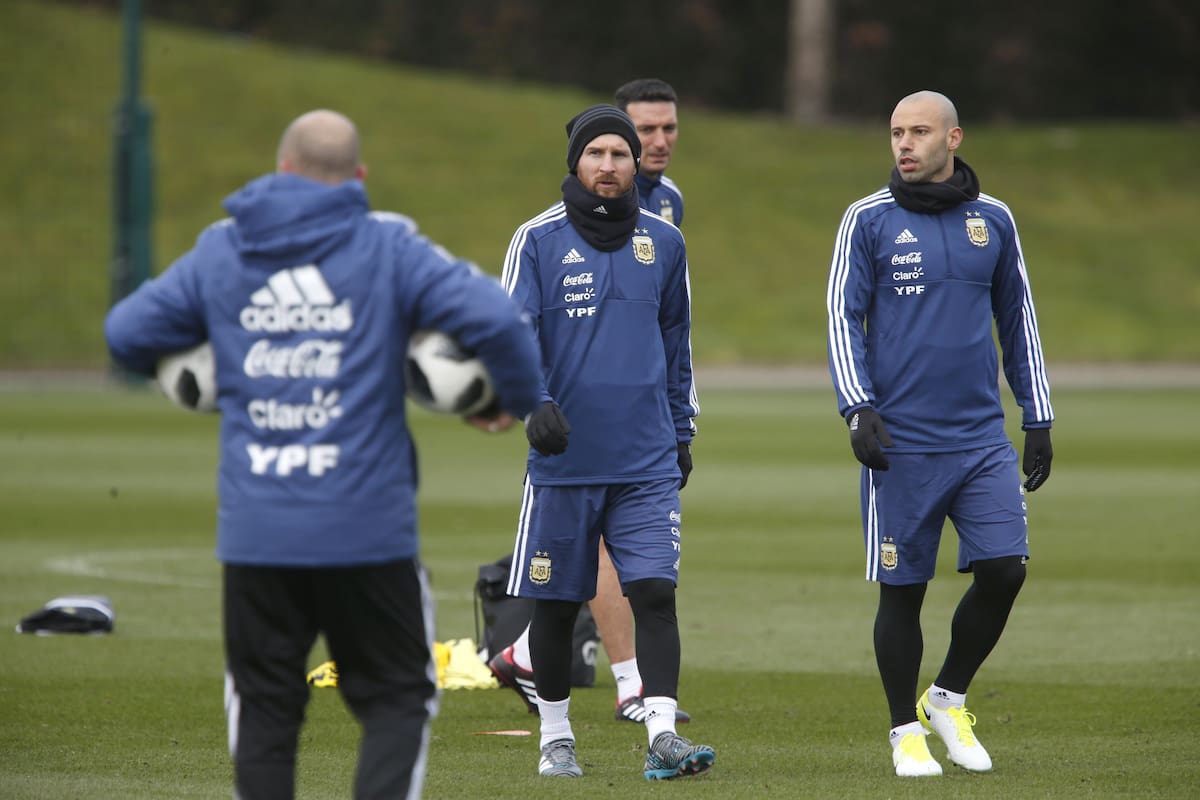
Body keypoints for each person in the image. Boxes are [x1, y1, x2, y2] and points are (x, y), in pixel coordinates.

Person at [104, 109, 543, 799]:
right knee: (398, 701)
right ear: (359, 179)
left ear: (280, 170)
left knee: (266, 709)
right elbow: (497, 319)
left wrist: (234, 361)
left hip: (257, 532)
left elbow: (125, 331)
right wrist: (509, 402)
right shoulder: (388, 246)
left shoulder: (222, 250)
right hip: (367, 531)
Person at [825, 90, 1054, 778]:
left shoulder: (994, 219)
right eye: (896, 131)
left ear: (952, 138)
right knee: (904, 589)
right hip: (902, 439)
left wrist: (1037, 415)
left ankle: (946, 697)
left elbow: (1019, 320)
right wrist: (858, 407)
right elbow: (843, 317)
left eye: (919, 131)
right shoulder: (867, 219)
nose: (904, 142)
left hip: (981, 436)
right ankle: (904, 731)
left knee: (1004, 570)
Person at [499, 103, 713, 780]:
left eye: (621, 154)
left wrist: (682, 430)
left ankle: (661, 733)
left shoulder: (664, 243)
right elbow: (507, 340)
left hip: (646, 459)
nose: (610, 165)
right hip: (565, 464)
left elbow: (678, 343)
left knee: (655, 593)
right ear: (577, 162)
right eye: (598, 154)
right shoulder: (536, 239)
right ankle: (556, 737)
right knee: (558, 605)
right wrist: (531, 404)